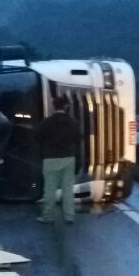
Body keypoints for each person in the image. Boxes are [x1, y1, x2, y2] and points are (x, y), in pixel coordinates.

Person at [36, 95, 80, 224]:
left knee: (49, 189)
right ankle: (69, 216)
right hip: (69, 158)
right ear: (66, 106)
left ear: (53, 106)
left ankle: (48, 216)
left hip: (50, 158)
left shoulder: (46, 122)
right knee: (67, 189)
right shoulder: (74, 123)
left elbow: (37, 137)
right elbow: (78, 140)